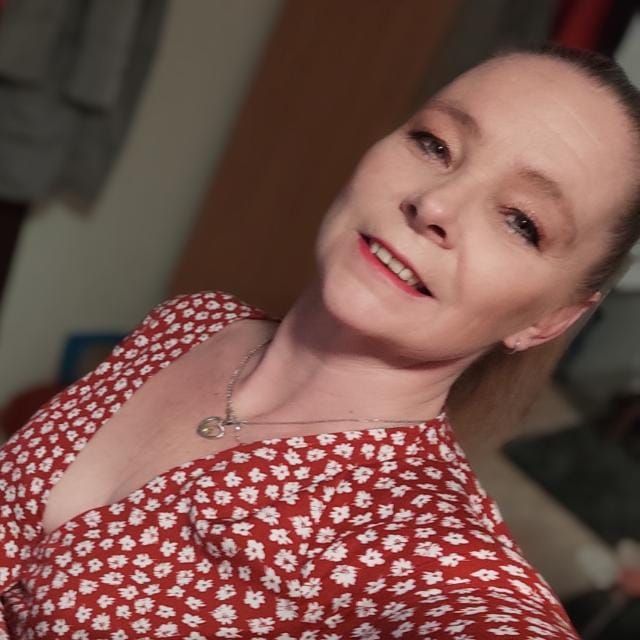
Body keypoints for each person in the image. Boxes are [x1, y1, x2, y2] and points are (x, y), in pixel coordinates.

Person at [1, 41, 639, 639]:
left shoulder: (420, 552)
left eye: (521, 221)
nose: (436, 204)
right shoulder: (192, 322)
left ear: (550, 320)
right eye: (435, 144)